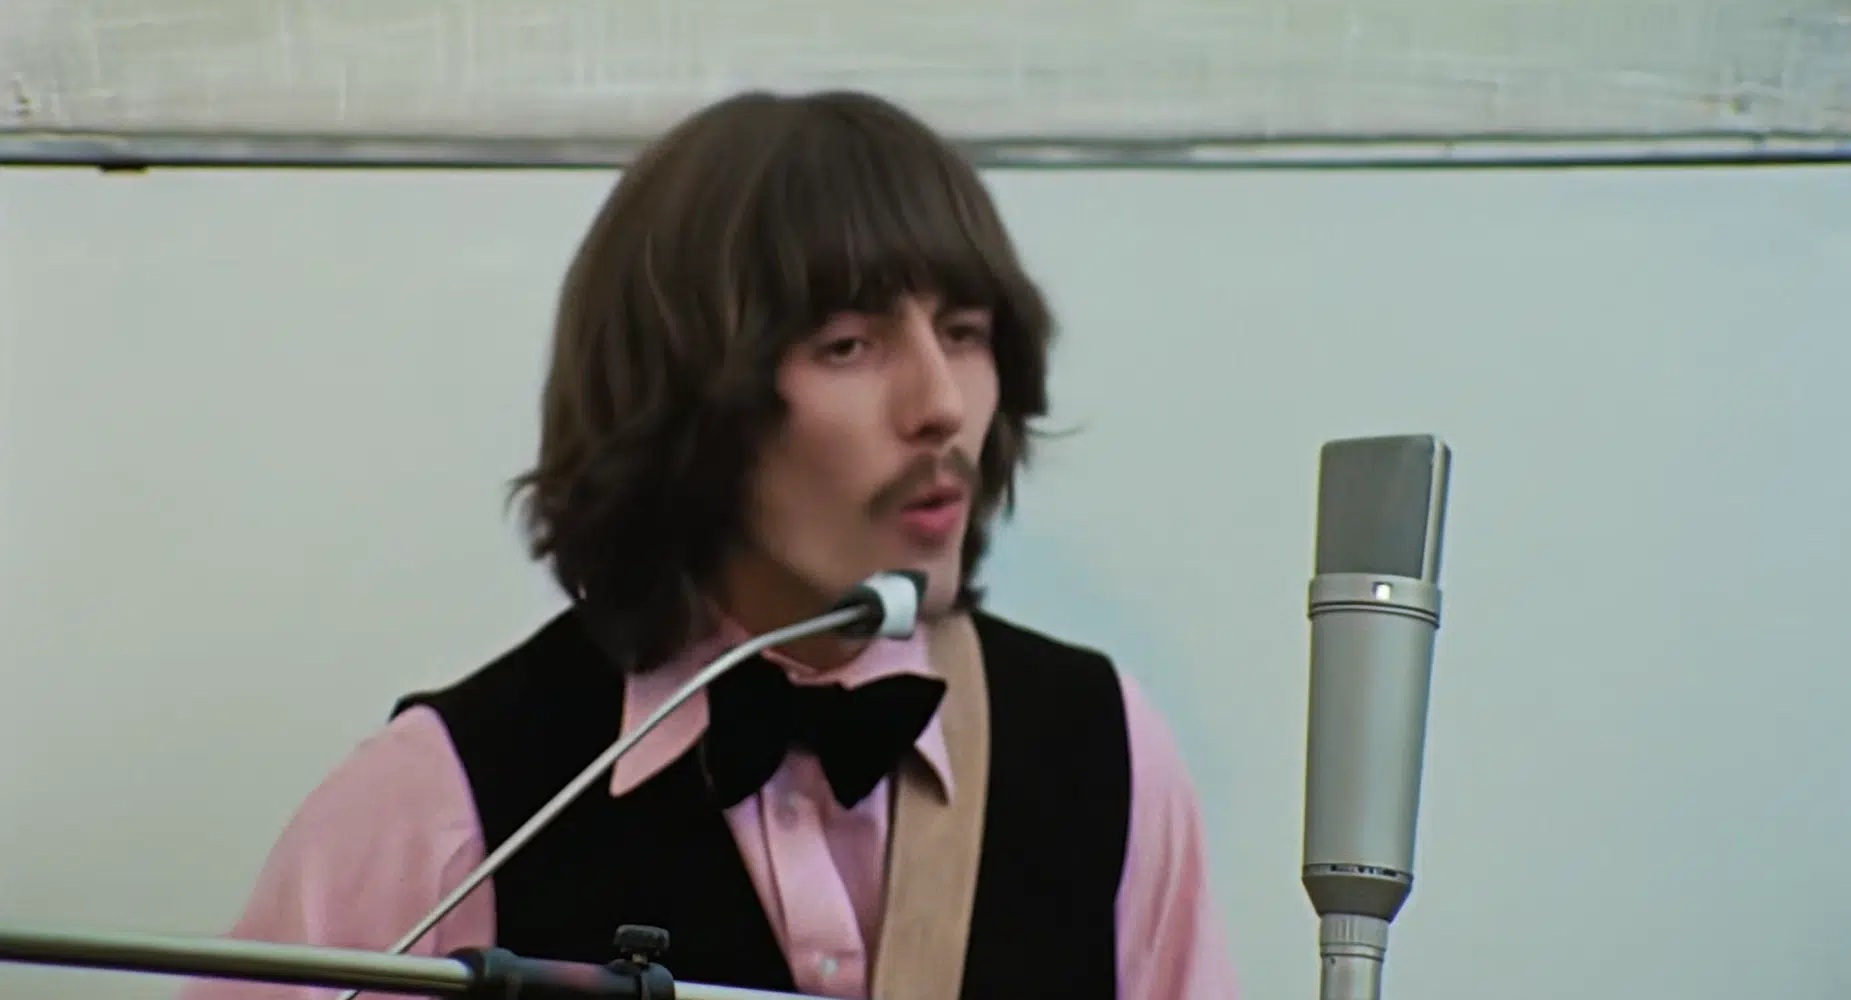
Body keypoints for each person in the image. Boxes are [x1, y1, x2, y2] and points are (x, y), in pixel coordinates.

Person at [183, 90, 1238, 1000]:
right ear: (681, 397)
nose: (940, 406)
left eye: (964, 333)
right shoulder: (449, 799)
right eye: (848, 344)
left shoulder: (1105, 751)